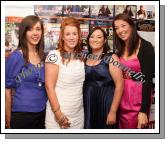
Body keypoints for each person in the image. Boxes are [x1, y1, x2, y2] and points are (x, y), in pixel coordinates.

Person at [112, 13, 155, 129]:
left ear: (132, 26)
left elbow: (147, 81)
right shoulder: (120, 48)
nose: (120, 30)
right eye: (116, 28)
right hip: (122, 99)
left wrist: (143, 111)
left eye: (123, 26)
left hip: (137, 102)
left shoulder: (146, 47)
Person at [5, 15, 47, 129]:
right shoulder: (16, 56)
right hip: (22, 116)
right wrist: (8, 123)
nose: (35, 33)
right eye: (30, 29)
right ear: (24, 32)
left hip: (43, 113)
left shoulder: (43, 56)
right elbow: (6, 91)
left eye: (38, 29)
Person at [45, 17, 85, 129]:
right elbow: (49, 87)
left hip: (78, 114)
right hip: (57, 115)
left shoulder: (81, 56)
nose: (71, 37)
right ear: (62, 36)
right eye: (68, 34)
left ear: (79, 36)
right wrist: (58, 114)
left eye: (74, 34)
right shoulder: (54, 55)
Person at [83, 27, 124, 129]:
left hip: (106, 103)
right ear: (88, 40)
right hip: (88, 103)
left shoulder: (111, 58)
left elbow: (120, 86)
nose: (95, 39)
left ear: (105, 40)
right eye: (92, 37)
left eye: (99, 37)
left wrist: (113, 111)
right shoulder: (85, 57)